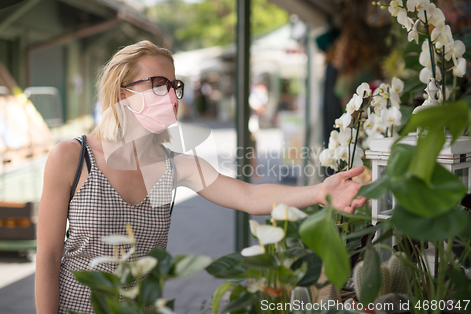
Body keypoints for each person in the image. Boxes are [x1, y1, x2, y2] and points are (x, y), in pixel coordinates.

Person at [35, 41, 367, 314]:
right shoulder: (72, 157)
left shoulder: (176, 165)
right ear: (124, 94)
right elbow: (48, 256)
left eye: (174, 86)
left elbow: (249, 197)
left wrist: (321, 191)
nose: (172, 96)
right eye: (159, 85)